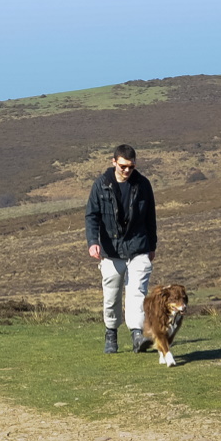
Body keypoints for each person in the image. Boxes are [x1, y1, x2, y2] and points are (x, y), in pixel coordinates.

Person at [84, 144, 157, 354]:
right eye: (123, 166)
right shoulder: (101, 185)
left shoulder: (143, 185)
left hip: (138, 247)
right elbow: (92, 216)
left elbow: (151, 217)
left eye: (131, 167)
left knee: (137, 292)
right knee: (111, 296)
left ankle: (137, 334)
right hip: (111, 250)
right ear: (114, 162)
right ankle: (111, 333)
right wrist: (92, 242)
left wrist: (152, 246)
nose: (127, 171)